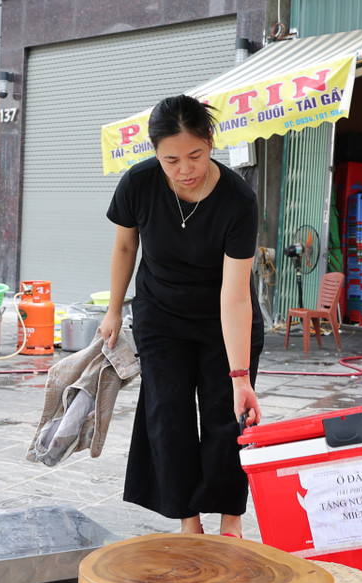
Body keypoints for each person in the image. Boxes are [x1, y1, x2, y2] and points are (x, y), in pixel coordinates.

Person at [99, 94, 264, 539]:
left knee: (226, 416)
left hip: (222, 319)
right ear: (155, 152)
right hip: (161, 316)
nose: (184, 169)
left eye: (195, 155)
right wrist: (114, 310)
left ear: (211, 143)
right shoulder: (139, 183)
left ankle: (231, 521)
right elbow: (124, 247)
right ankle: (189, 522)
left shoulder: (237, 200)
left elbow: (235, 296)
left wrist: (240, 376)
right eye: (171, 159)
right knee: (168, 415)